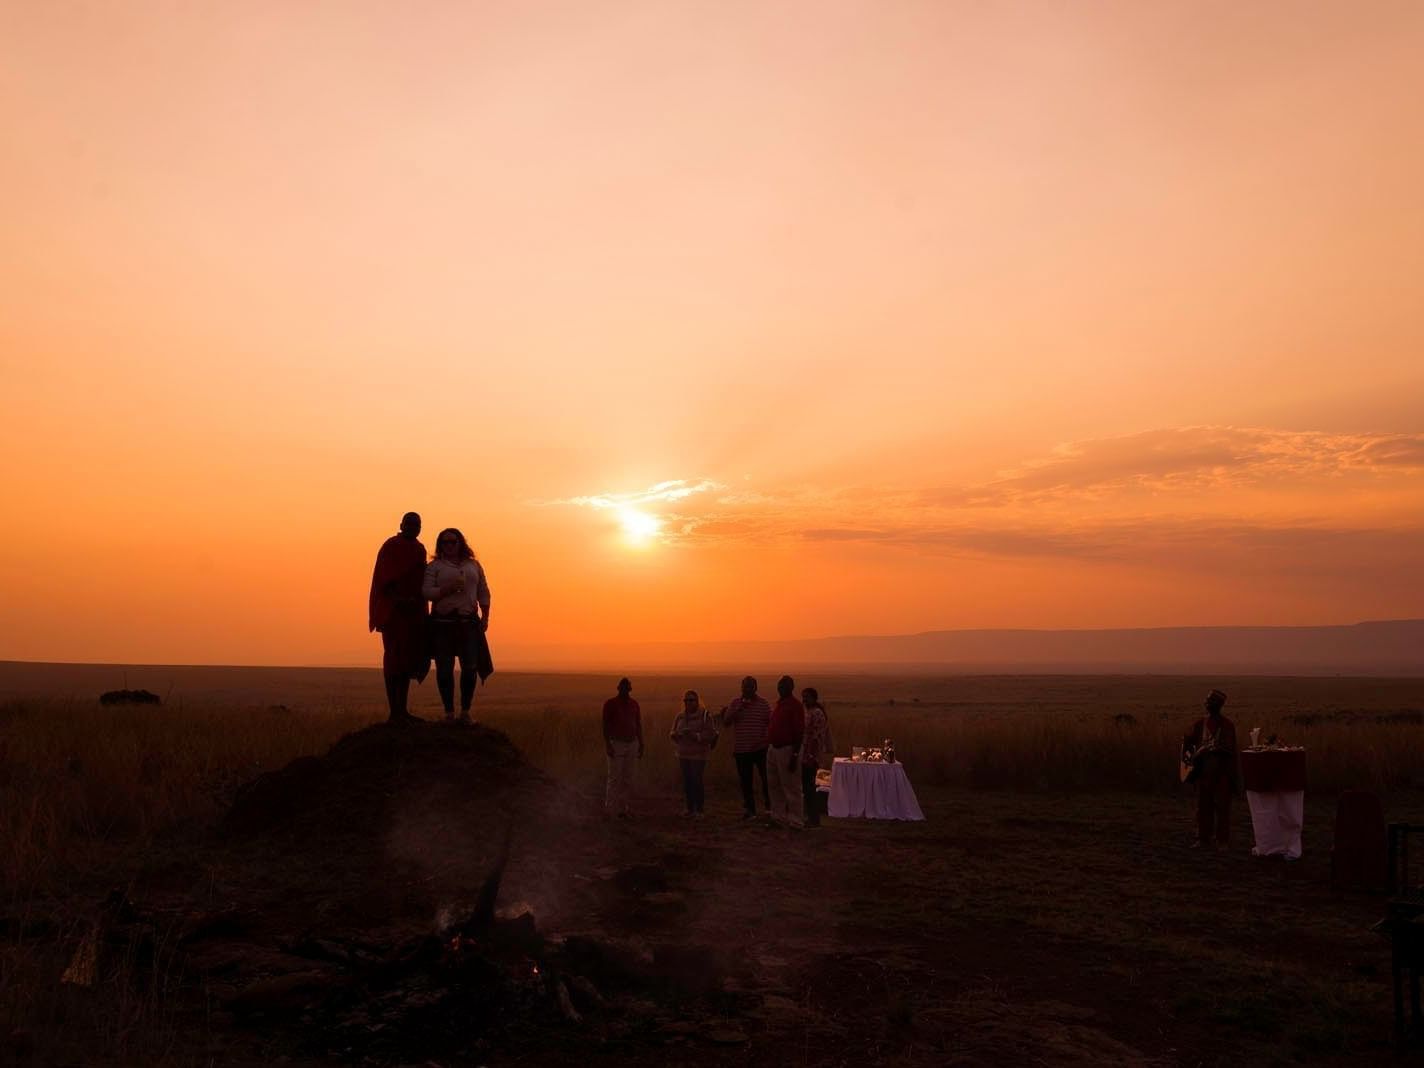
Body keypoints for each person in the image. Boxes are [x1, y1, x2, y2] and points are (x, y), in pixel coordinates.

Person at [422, 528, 493, 722]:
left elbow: (484, 592)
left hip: (468, 622)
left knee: (470, 667)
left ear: (460, 542)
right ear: (440, 545)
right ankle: (449, 713)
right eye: (445, 542)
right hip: (443, 623)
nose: (450, 545)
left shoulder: (473, 565)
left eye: (453, 542)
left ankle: (465, 711)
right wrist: (447, 589)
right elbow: (426, 592)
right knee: (445, 668)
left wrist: (485, 617)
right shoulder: (434, 566)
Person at [368, 512, 430, 724]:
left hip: (413, 614)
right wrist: (400, 600)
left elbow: (422, 581)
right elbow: (385, 580)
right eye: (411, 523)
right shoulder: (391, 546)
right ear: (401, 524)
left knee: (407, 660)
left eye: (418, 524)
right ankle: (394, 711)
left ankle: (401, 710)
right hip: (394, 613)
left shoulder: (420, 549)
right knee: (394, 659)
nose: (415, 527)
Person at [1183, 688, 1239, 849]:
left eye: (1211, 701)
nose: (1207, 703)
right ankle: (1203, 838)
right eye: (1207, 700)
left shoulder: (1227, 725)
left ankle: (1222, 840)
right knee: (1203, 807)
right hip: (1204, 772)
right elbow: (1189, 744)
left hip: (1222, 773)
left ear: (1218, 705)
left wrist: (1205, 750)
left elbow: (1227, 748)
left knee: (1222, 808)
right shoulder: (1200, 723)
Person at [722, 676, 772, 821]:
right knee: (745, 782)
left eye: (750, 686)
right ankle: (750, 810)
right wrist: (738, 709)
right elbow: (726, 722)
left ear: (755, 688)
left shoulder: (763, 704)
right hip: (742, 750)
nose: (747, 689)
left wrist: (765, 740)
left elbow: (770, 724)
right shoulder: (735, 703)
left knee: (766, 780)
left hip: (760, 749)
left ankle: (769, 808)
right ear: (741, 688)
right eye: (745, 686)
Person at [669, 689, 718, 818]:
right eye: (686, 700)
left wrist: (695, 736)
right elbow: (672, 732)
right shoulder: (680, 716)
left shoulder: (705, 715)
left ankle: (700, 809)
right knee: (687, 781)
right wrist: (677, 735)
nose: (688, 703)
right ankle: (690, 808)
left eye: (691, 700)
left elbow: (711, 734)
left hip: (699, 754)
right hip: (683, 753)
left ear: (697, 701)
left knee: (697, 780)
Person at [766, 675, 805, 828]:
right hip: (773, 749)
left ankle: (796, 821)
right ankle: (778, 818)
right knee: (774, 785)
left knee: (792, 787)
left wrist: (795, 755)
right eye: (780, 686)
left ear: (791, 688)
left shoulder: (795, 706)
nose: (781, 688)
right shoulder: (780, 704)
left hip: (787, 749)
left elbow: (799, 732)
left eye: (784, 686)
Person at [602, 678, 643, 818]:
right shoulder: (610, 704)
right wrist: (608, 744)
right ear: (618, 688)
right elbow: (605, 725)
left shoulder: (634, 704)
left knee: (628, 777)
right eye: (623, 687)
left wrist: (641, 743)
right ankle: (610, 809)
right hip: (617, 744)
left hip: (632, 743)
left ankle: (623, 809)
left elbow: (638, 724)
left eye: (627, 687)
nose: (625, 689)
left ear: (630, 689)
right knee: (614, 777)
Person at [799, 687, 833, 828]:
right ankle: (811, 817)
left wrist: (811, 756)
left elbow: (815, 737)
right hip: (806, 754)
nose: (804, 699)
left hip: (811, 756)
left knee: (809, 787)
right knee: (807, 787)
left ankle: (814, 819)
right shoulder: (809, 712)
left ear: (814, 698)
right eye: (803, 696)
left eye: (807, 697)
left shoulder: (817, 713)